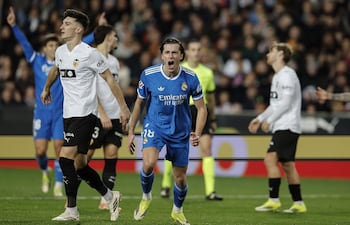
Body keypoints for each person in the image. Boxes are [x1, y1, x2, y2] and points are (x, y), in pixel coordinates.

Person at [40, 9, 130, 221]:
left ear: (78, 29)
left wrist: (123, 107)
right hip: (68, 115)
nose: (62, 27)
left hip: (86, 114)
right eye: (63, 23)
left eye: (67, 23)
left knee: (65, 159)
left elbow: (109, 80)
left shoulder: (90, 54)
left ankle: (71, 209)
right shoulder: (61, 52)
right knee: (80, 165)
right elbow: (55, 69)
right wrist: (46, 88)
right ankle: (110, 197)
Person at [127, 37, 207, 225]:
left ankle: (177, 211)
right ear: (162, 56)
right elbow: (139, 103)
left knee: (180, 179)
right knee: (148, 163)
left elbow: (202, 108)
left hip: (180, 131)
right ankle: (146, 197)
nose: (170, 56)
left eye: (174, 52)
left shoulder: (191, 78)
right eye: (167, 52)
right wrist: (131, 130)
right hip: (154, 126)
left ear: (181, 56)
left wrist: (198, 131)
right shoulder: (149, 75)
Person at [7, 6, 64, 196]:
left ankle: (58, 184)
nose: (53, 48)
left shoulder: (63, 62)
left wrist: (97, 33)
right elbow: (24, 44)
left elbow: (84, 45)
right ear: (44, 48)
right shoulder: (37, 60)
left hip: (59, 112)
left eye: (56, 46)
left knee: (59, 148)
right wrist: (14, 26)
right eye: (50, 46)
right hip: (41, 112)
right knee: (40, 151)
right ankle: (44, 171)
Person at [248, 42, 307, 213]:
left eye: (271, 51)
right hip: (285, 125)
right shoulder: (278, 76)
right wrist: (260, 119)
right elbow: (275, 104)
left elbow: (287, 103)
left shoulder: (287, 75)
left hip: (287, 125)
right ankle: (299, 203)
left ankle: (274, 200)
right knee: (288, 164)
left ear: (280, 54)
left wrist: (270, 120)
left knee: (269, 158)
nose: (268, 54)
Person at [160, 39, 223, 200]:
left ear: (201, 52)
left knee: (207, 149)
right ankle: (166, 186)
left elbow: (210, 97)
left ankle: (210, 191)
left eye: (198, 49)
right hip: (181, 109)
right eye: (192, 49)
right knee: (173, 149)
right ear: (186, 52)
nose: (195, 52)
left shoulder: (208, 73)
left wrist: (213, 118)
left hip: (201, 111)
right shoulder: (179, 69)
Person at [85, 25, 124, 210]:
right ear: (108, 37)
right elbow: (89, 88)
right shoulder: (92, 56)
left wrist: (123, 110)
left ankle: (106, 200)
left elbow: (116, 88)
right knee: (84, 159)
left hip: (115, 116)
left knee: (112, 154)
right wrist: (101, 113)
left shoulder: (115, 62)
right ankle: (71, 199)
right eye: (115, 36)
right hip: (96, 116)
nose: (117, 39)